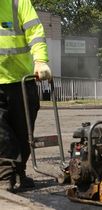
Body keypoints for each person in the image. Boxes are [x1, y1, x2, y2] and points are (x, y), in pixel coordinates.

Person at [0, 0, 52, 192]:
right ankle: (6, 175)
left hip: (22, 80)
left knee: (24, 133)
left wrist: (40, 60)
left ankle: (18, 172)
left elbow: (35, 32)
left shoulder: (18, 3)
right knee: (2, 135)